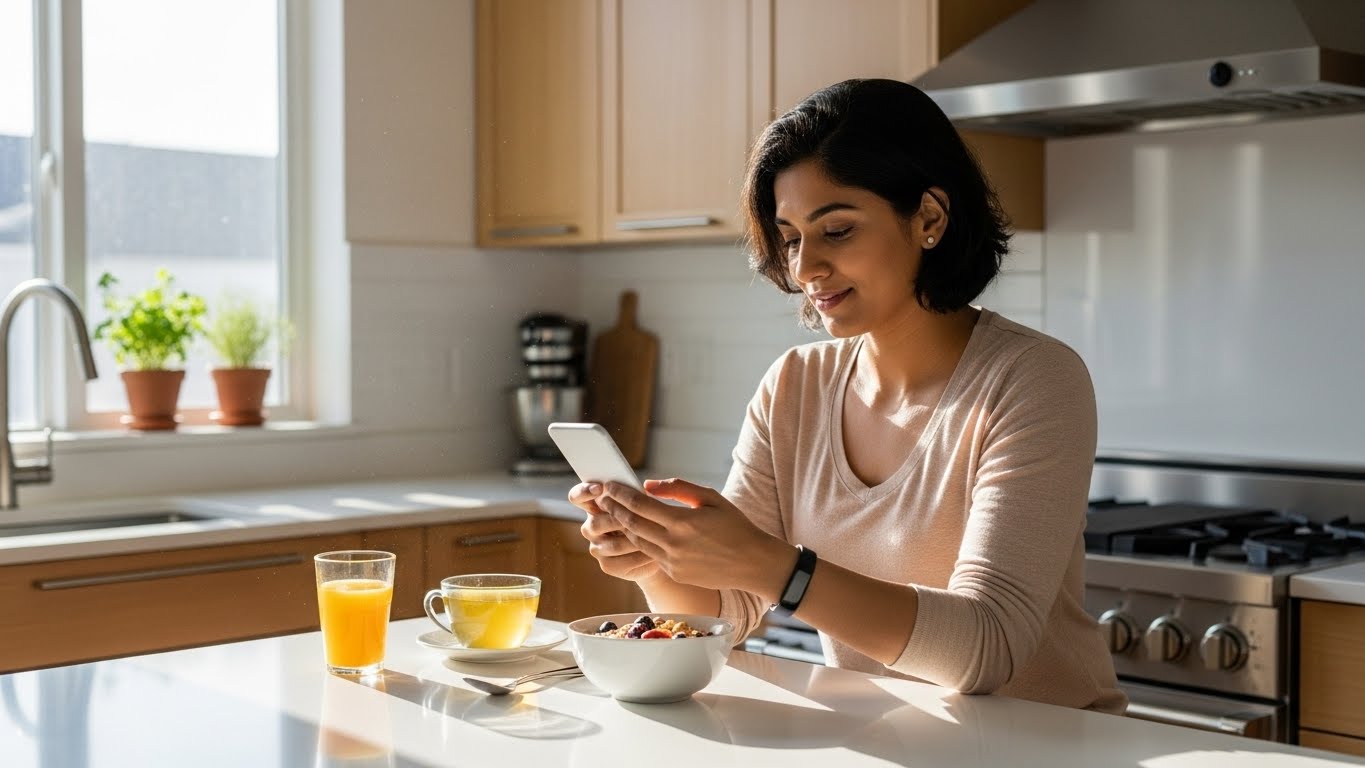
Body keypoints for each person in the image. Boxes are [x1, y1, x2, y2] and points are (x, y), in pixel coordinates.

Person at [569, 78, 1126, 714]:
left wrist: (776, 567)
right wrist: (655, 559)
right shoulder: (794, 386)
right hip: (896, 746)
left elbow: (987, 648)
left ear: (929, 219)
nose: (805, 268)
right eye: (791, 237)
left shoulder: (1031, 379)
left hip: (1051, 751)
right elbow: (730, 608)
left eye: (836, 230)